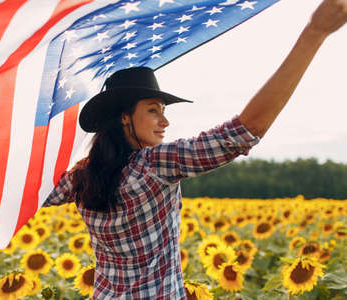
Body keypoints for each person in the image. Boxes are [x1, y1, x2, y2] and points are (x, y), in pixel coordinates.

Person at [42, 0, 346, 299]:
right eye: (153, 110)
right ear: (124, 117)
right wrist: (313, 33)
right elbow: (244, 131)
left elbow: (29, 197)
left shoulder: (81, 176)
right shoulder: (156, 164)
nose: (164, 121)